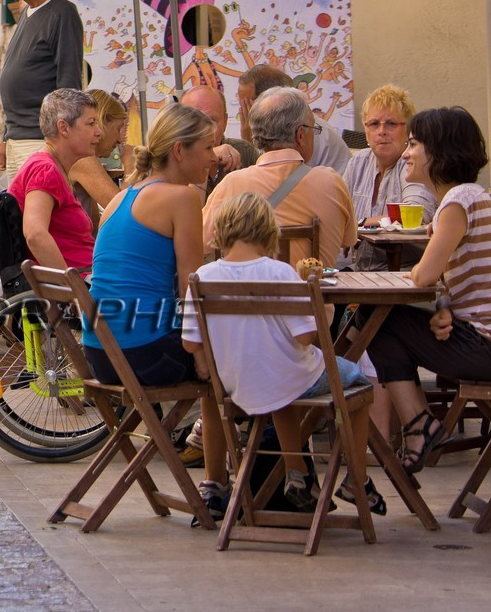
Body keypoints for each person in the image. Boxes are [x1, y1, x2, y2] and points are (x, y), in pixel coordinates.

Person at [81, 103, 229, 518]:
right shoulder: (181, 198)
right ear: (179, 151)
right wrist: (200, 355)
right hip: (143, 353)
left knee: (219, 356)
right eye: (207, 147)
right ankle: (219, 487)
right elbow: (190, 285)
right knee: (226, 364)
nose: (214, 156)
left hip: (101, 354)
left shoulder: (125, 195)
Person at [181, 192, 372, 512]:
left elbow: (190, 344)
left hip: (233, 383)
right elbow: (307, 337)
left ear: (221, 232)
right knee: (359, 381)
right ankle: (356, 479)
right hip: (287, 380)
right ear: (269, 231)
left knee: (282, 376)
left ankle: (295, 470)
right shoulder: (282, 273)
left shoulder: (202, 277)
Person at [365, 106, 491, 473]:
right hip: (476, 336)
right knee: (381, 323)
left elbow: (424, 275)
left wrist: (424, 278)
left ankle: (418, 424)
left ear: (439, 152)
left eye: (414, 144)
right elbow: (462, 281)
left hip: (482, 345)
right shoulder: (474, 197)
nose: (406, 151)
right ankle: (418, 423)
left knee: (377, 319)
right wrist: (444, 309)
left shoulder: (457, 203)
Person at [204, 87, 357, 268]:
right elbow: (349, 240)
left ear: (256, 137)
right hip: (313, 295)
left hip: (248, 295)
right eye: (312, 129)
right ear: (300, 135)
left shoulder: (231, 184)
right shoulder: (331, 182)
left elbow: (201, 242)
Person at [0, 0, 84, 172]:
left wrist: (58, 142)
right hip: (18, 137)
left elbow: (68, 85)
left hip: (40, 140)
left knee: (37, 207)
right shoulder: (26, 13)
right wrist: (7, 137)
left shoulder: (62, 13)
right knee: (18, 208)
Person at [342, 83, 437, 269]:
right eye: (374, 124)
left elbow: (417, 213)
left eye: (391, 124)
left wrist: (359, 225)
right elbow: (339, 214)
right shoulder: (357, 162)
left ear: (408, 131)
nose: (381, 131)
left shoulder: (413, 163)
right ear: (366, 129)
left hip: (406, 270)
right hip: (361, 270)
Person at [8, 89, 100, 272]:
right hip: (79, 288)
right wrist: (72, 288)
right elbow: (35, 234)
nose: (98, 132)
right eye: (91, 124)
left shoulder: (50, 166)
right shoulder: (45, 170)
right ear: (64, 127)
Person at [237, 64, 349, 171]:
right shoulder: (275, 130)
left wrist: (250, 145)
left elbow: (276, 178)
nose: (243, 112)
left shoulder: (307, 130)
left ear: (273, 100)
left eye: (247, 105)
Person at [179, 84, 258, 195]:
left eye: (211, 120)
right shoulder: (173, 160)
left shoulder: (244, 152)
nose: (203, 130)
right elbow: (188, 211)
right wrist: (207, 157)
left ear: (225, 122)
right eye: (193, 121)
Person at [68, 89, 129, 229]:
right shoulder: (82, 158)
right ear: (103, 123)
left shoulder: (79, 155)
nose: (120, 139)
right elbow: (124, 212)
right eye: (118, 129)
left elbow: (94, 222)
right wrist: (131, 168)